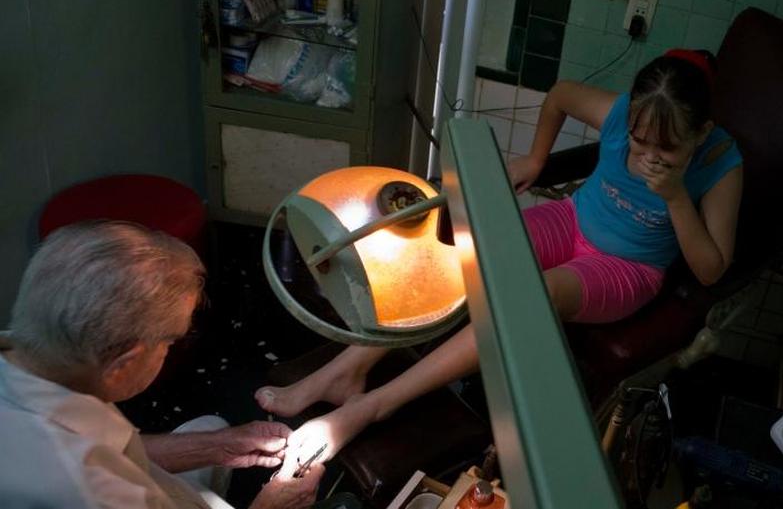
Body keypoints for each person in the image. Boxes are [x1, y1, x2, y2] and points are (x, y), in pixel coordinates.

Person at [258, 48, 744, 468]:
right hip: (573, 221)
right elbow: (559, 95)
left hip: (626, 267)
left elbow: (711, 268)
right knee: (479, 253)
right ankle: (347, 370)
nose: (648, 155)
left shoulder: (721, 162)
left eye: (668, 148)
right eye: (640, 141)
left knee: (537, 293)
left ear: (701, 133)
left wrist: (678, 197)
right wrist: (535, 158)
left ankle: (373, 407)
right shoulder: (622, 114)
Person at [0, 221, 325, 509]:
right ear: (123, 364)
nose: (170, 350)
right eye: (170, 342)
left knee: (211, 428)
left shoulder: (36, 361)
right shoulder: (90, 493)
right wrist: (272, 505)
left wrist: (217, 447)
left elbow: (112, 450)